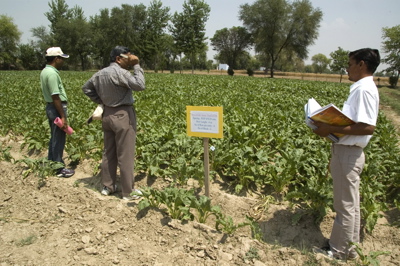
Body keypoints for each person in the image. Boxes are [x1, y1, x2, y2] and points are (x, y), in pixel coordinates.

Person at [312, 48, 380, 261]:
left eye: (350, 64)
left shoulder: (363, 89)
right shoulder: (363, 88)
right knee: (351, 205)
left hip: (348, 154)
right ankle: (350, 249)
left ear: (362, 65)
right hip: (348, 152)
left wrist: (329, 130)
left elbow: (368, 127)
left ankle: (338, 251)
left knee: (345, 206)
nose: (347, 68)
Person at [82, 46, 145, 200]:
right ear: (118, 59)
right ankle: (128, 192)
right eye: (127, 57)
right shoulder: (120, 72)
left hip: (107, 114)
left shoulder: (100, 73)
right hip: (122, 115)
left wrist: (101, 100)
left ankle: (108, 186)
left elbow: (86, 88)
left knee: (109, 152)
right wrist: (137, 65)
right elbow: (140, 85)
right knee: (126, 154)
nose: (129, 60)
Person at [40, 47, 75, 178]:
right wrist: (63, 116)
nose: (63, 62)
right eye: (62, 59)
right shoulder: (52, 74)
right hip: (56, 108)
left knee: (54, 137)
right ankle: (58, 167)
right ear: (56, 59)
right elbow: (56, 96)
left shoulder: (45, 71)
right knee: (59, 138)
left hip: (50, 107)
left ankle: (51, 163)